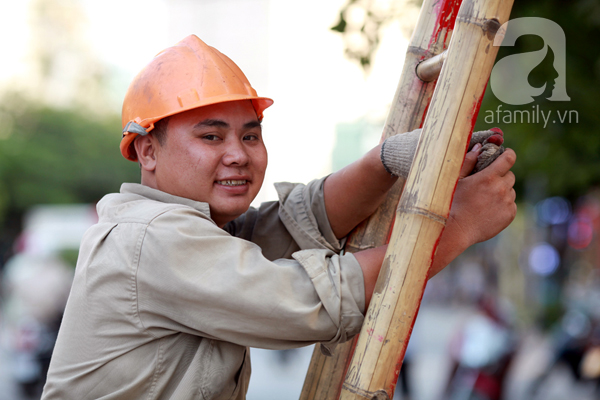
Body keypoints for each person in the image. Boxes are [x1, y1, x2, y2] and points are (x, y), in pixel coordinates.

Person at [41, 35, 517, 399]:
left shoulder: (197, 229)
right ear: (147, 150)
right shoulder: (148, 238)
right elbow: (310, 296)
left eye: (250, 136)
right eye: (211, 137)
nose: (238, 155)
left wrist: (386, 161)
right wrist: (457, 227)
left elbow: (295, 222)